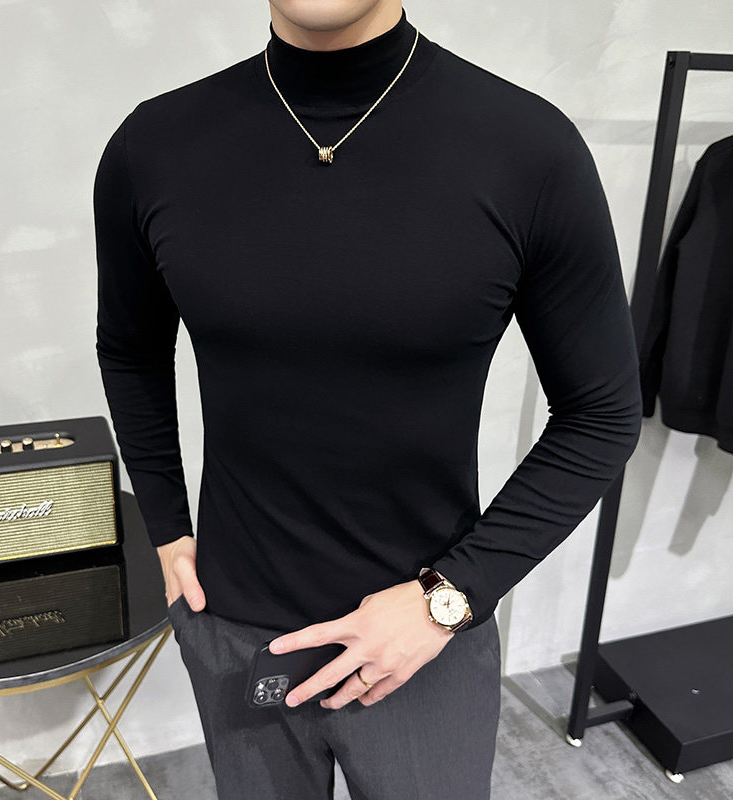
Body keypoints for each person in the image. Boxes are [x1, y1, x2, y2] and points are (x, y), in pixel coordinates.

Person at [93, 2, 643, 798]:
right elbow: (131, 347)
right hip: (236, 625)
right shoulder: (155, 145)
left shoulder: (527, 149)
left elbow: (602, 412)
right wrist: (167, 523)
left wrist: (445, 601)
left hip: (429, 635)